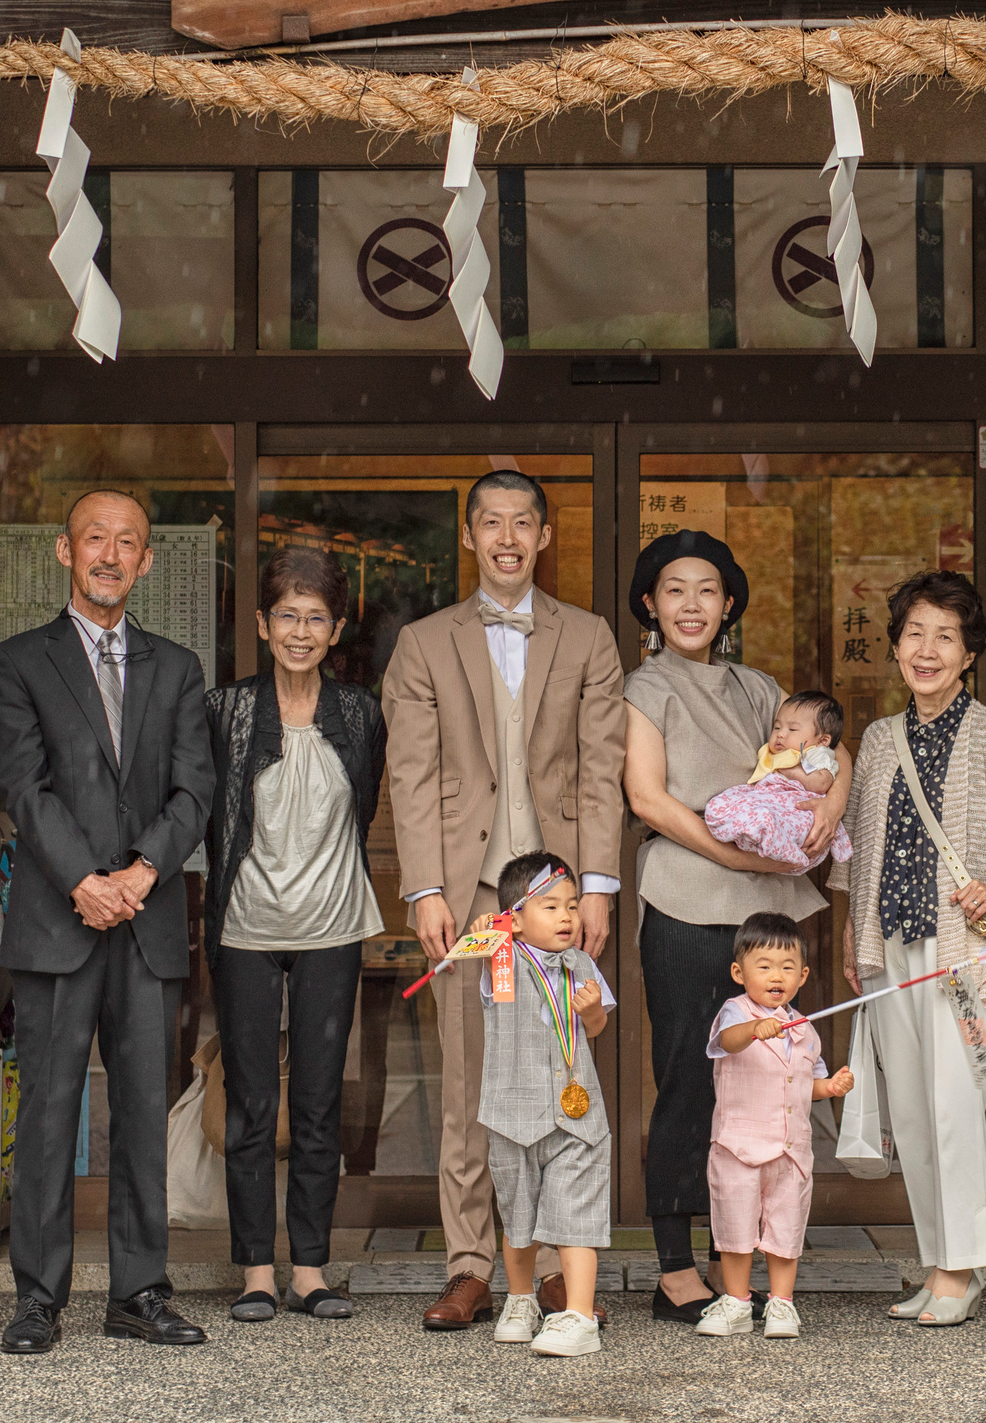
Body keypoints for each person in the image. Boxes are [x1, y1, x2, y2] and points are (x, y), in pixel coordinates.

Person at [382, 470, 627, 1331]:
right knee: (469, 1081)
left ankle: (555, 1267)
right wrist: (425, 888)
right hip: (471, 893)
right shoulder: (424, 643)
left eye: (523, 522)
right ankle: (471, 1264)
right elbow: (411, 774)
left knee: (565, 1070)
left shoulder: (589, 636)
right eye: (492, 522)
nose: (508, 537)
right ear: (470, 535)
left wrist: (598, 886)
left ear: (545, 535)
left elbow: (601, 767)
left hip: (558, 895)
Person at [0, 489, 216, 1356]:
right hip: (58, 918)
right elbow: (24, 787)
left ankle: (139, 1291)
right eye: (94, 538)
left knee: (143, 1112)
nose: (110, 554)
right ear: (65, 550)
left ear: (147, 561)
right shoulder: (17, 662)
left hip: (146, 921)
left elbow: (195, 787)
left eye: (127, 542)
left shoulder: (177, 667)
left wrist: (141, 871)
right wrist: (84, 879)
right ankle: (38, 1296)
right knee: (49, 1109)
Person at [621, 529, 848, 1324]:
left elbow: (832, 751)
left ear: (728, 606)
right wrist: (735, 855)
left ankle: (739, 1261)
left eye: (708, 590)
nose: (692, 604)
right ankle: (676, 1266)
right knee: (689, 1076)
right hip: (687, 899)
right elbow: (647, 798)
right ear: (650, 605)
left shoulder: (760, 687)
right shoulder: (643, 686)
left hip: (767, 912)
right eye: (674, 589)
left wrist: (831, 807)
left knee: (761, 1079)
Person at [830, 570, 986, 1327]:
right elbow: (855, 846)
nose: (926, 651)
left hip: (962, 956)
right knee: (912, 1111)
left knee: (956, 1105)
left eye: (945, 637)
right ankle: (938, 1263)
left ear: (969, 654)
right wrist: (851, 932)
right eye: (914, 634)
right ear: (896, 646)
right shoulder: (878, 739)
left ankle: (961, 1267)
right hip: (892, 946)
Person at [203, 546, 387, 1323]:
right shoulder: (226, 709)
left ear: (337, 628)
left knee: (317, 1101)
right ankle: (255, 1268)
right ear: (261, 623)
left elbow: (364, 804)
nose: (301, 631)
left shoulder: (361, 712)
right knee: (250, 1102)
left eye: (316, 617)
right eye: (287, 615)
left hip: (332, 923)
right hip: (245, 924)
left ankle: (310, 1267)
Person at [478, 852, 615, 1359]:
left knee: (577, 1216)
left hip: (578, 1117)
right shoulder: (502, 958)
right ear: (515, 918)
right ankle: (520, 1300)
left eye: (572, 906)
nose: (567, 917)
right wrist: (490, 934)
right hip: (513, 1116)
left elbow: (596, 1028)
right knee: (518, 1215)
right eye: (551, 906)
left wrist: (593, 1010)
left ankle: (578, 1315)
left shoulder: (583, 965)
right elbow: (483, 956)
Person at [697, 912, 855, 1341]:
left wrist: (830, 1087)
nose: (776, 976)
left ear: (802, 976)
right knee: (735, 1229)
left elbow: (808, 1084)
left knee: (786, 1229)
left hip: (790, 1152)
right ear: (739, 973)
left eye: (787, 968)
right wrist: (755, 1028)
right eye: (764, 966)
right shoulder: (734, 1012)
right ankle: (736, 1301)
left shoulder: (804, 1029)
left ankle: (782, 1303)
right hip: (739, 1148)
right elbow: (727, 1042)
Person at [701, 691, 855, 871]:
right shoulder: (772, 753)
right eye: (777, 727)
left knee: (776, 818)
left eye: (792, 729)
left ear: (823, 740)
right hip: (771, 797)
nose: (781, 734)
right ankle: (738, 830)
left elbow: (821, 783)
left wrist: (787, 770)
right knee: (728, 802)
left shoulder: (816, 753)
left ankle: (785, 850)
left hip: (797, 804)